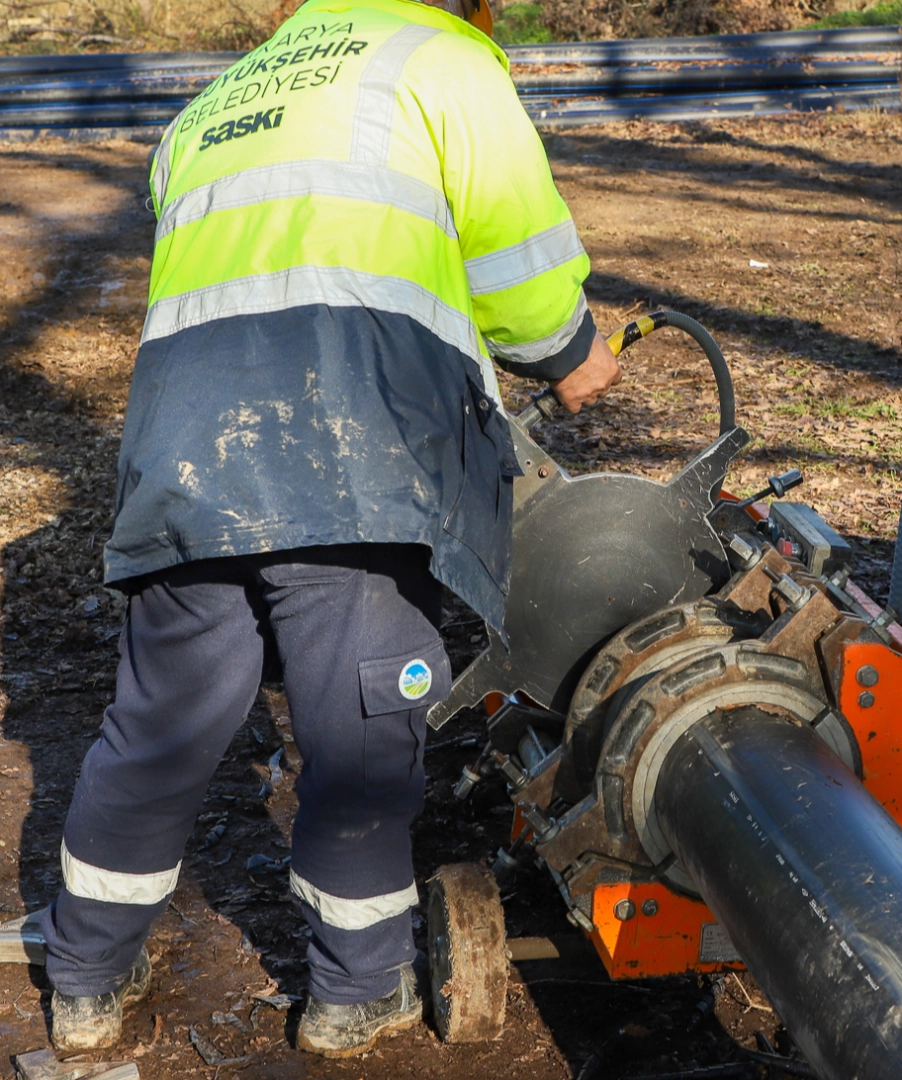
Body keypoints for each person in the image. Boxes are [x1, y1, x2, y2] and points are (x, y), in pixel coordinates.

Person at [41, 0, 621, 1057]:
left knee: (159, 725)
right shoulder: (442, 61)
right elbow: (517, 263)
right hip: (348, 446)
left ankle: (82, 980)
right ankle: (359, 993)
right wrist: (571, 350)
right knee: (358, 734)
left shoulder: (222, 97)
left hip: (183, 452)